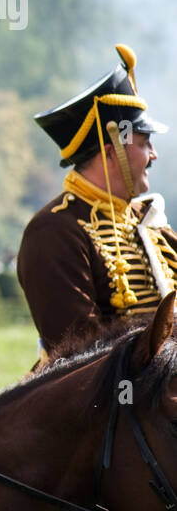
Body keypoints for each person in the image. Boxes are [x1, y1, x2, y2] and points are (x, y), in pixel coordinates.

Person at [19, 43, 176, 359]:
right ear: (111, 151)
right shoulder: (54, 231)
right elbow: (83, 357)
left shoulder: (148, 222)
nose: (153, 155)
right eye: (145, 143)